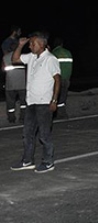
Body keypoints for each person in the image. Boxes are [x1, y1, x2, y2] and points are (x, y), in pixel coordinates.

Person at [10, 31, 60, 173]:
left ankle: (48, 161)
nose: (30, 46)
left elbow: (57, 80)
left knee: (44, 135)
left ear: (42, 44)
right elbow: (15, 59)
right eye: (30, 43)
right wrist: (20, 45)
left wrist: (54, 100)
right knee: (28, 133)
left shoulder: (50, 59)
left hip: (44, 102)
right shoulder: (31, 57)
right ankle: (27, 160)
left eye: (33, 43)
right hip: (31, 102)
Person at [2, 42, 27, 124]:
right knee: (23, 103)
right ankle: (22, 117)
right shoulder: (22, 57)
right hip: (22, 84)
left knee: (10, 104)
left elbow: (3, 69)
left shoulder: (5, 57)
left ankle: (11, 118)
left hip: (10, 84)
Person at [51, 37, 73, 120]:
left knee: (55, 96)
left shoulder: (54, 53)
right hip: (67, 78)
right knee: (63, 96)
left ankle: (57, 114)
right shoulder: (68, 52)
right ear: (61, 44)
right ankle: (62, 113)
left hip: (57, 79)